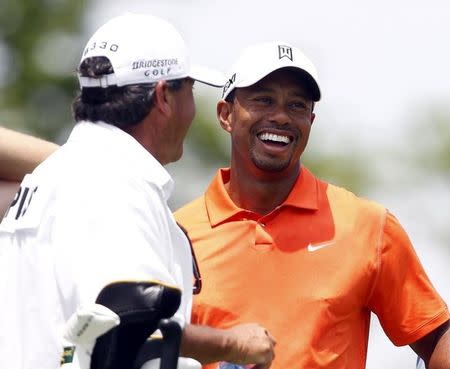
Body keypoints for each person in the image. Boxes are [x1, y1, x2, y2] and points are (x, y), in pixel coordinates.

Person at [0, 14, 275, 369]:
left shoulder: (52, 176)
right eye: (188, 91)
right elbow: (131, 329)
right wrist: (233, 343)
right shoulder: (117, 182)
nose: (191, 109)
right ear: (163, 96)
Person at [174, 41, 450, 369]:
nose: (280, 116)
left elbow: (435, 336)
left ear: (310, 121)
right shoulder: (176, 233)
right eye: (263, 100)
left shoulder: (367, 226)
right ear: (226, 115)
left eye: (297, 105)